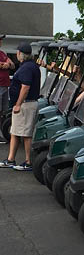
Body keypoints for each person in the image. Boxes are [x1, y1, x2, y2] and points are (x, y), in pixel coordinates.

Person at [0, 43, 41, 171]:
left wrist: (18, 104)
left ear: (19, 54)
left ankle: (29, 162)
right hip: (24, 104)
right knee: (15, 132)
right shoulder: (29, 65)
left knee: (26, 134)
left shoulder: (27, 68)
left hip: (25, 104)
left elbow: (25, 87)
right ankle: (10, 159)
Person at [0, 34, 14, 124]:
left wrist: (7, 64)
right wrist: (3, 64)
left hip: (5, 85)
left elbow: (12, 65)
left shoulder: (2, 53)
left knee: (3, 111)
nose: (0, 42)